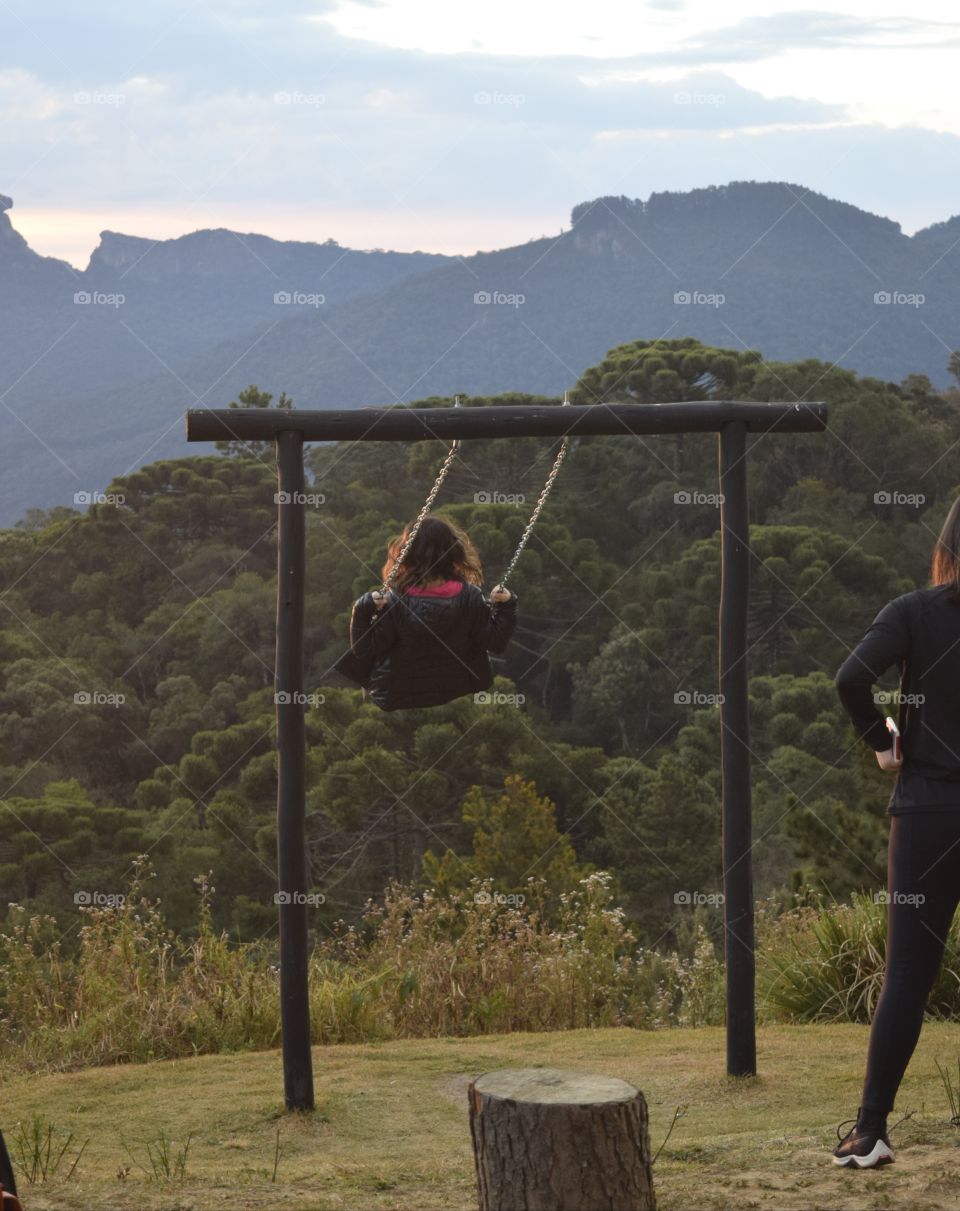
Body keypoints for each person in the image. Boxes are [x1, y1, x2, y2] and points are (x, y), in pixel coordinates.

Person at [832, 496, 960, 1168]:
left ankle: (871, 1131)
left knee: (908, 971)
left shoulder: (914, 610)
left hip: (929, 814)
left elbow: (852, 677)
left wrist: (882, 739)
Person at [334, 515, 517, 711]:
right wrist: (506, 605)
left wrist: (362, 610)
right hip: (460, 686)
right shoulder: (470, 597)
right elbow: (495, 643)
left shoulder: (394, 601)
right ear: (454, 551)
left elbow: (365, 651)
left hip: (398, 693)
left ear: (407, 552)